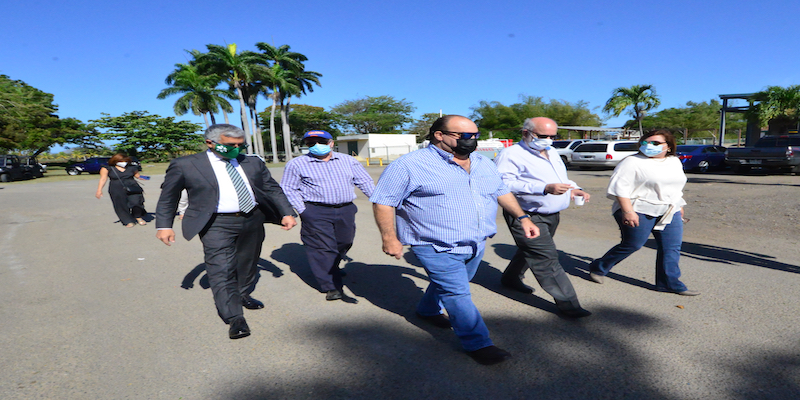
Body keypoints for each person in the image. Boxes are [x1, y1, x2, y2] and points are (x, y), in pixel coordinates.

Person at [371, 115, 539, 366]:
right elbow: (384, 200)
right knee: (457, 292)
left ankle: (427, 310)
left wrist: (523, 217)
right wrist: (389, 238)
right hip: (434, 244)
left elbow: (501, 191)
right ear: (439, 135)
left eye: (475, 135)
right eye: (464, 135)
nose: (472, 140)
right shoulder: (409, 165)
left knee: (453, 284)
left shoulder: (483, 163)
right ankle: (479, 343)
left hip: (476, 242)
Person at [155, 124, 298, 340]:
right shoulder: (186, 164)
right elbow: (169, 196)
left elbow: (271, 188)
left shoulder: (252, 162)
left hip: (252, 219)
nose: (237, 149)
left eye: (241, 145)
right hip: (215, 223)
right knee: (221, 268)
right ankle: (234, 317)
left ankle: (242, 294)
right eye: (231, 145)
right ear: (210, 143)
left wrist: (286, 212)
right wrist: (164, 225)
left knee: (247, 263)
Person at [494, 117, 592, 318]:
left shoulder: (552, 152)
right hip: (526, 215)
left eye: (552, 136)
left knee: (530, 250)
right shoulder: (511, 154)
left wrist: (574, 189)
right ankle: (570, 305)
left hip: (551, 214)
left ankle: (510, 279)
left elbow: (560, 179)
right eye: (542, 136)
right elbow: (501, 185)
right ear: (525, 133)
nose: (548, 140)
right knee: (546, 258)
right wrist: (543, 188)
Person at [587, 129, 699, 296]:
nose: (649, 146)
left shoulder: (674, 161)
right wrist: (627, 211)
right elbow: (620, 188)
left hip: (669, 209)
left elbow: (676, 186)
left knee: (671, 248)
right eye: (646, 143)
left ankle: (669, 283)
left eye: (655, 143)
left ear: (668, 146)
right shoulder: (632, 161)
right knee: (633, 244)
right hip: (637, 209)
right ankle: (599, 266)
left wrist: (679, 204)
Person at [280, 130, 376, 301]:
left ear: (331, 143)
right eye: (311, 143)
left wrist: (379, 201)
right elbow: (288, 188)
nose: (316, 145)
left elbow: (364, 181)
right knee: (322, 248)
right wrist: (303, 211)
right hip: (315, 211)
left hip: (346, 209)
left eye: (321, 141)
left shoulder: (347, 160)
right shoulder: (297, 164)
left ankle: (333, 267)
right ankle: (330, 285)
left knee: (344, 241)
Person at [95, 153, 147, 227]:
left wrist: (146, 177)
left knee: (137, 202)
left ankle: (138, 217)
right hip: (116, 188)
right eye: (121, 161)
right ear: (115, 161)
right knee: (121, 205)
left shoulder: (131, 167)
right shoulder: (107, 168)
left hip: (132, 186)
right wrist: (99, 190)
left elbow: (138, 176)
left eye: (125, 161)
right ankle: (127, 220)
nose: (123, 163)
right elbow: (103, 179)